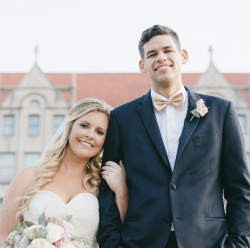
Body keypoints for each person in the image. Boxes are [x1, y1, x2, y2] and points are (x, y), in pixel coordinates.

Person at [97, 25, 250, 248]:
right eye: (152, 54)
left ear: (183, 56)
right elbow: (106, 192)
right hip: (141, 242)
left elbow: (240, 188)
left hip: (208, 241)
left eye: (167, 50)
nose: (161, 58)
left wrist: (239, 244)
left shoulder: (220, 112)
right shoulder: (122, 118)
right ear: (142, 65)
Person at [0, 98, 128, 248]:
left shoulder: (103, 185)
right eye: (84, 126)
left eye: (99, 132)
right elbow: (3, 235)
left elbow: (122, 232)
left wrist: (121, 190)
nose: (90, 135)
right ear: (70, 127)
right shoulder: (29, 176)